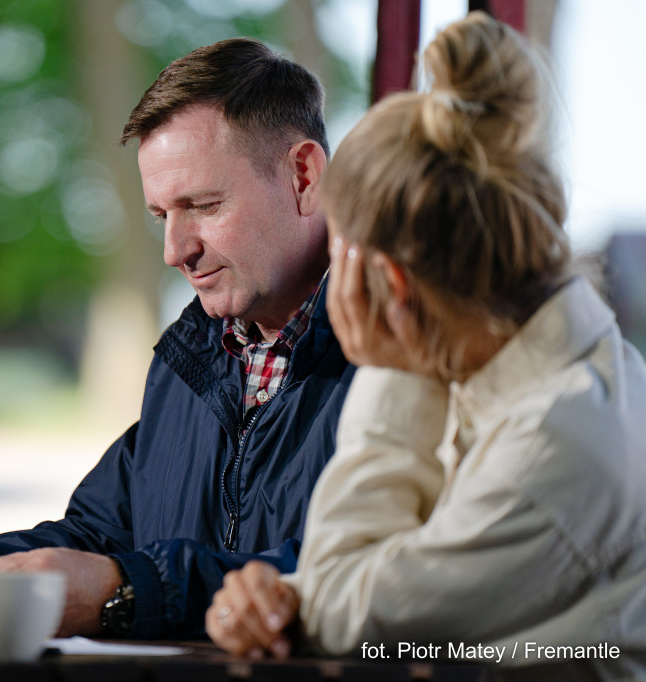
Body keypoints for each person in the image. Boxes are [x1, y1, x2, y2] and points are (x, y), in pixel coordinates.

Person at [205, 11, 646, 676]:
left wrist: (387, 366)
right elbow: (370, 597)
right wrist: (278, 599)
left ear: (387, 279)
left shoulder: (552, 443)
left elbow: (348, 622)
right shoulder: (542, 373)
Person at [0, 38, 355, 639]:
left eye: (203, 204)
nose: (176, 251)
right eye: (161, 216)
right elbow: (101, 538)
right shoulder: (188, 362)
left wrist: (127, 589)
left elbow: (355, 574)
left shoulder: (400, 359)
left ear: (303, 176)